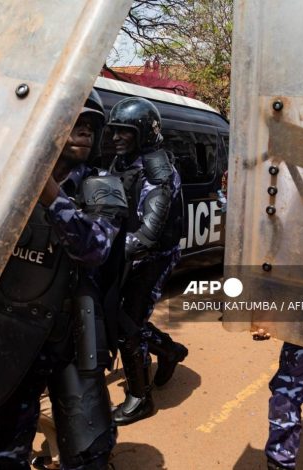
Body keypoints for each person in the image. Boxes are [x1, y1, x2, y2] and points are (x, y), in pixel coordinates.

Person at [0, 89, 127, 470]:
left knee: (88, 452)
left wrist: (47, 191)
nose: (83, 133)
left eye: (89, 127)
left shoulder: (102, 187)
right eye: (74, 125)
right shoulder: (6, 184)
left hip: (70, 338)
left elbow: (94, 248)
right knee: (2, 450)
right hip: (15, 332)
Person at [106, 97, 188, 426]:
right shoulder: (123, 162)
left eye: (124, 132)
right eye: (114, 132)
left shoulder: (159, 172)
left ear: (143, 133)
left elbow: (147, 236)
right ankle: (169, 351)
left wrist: (104, 249)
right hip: (127, 252)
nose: (116, 138)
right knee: (121, 318)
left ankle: (141, 397)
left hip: (154, 256)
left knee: (128, 325)